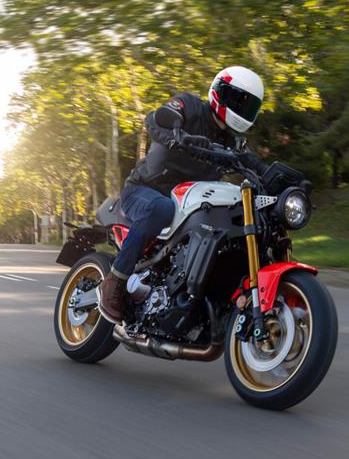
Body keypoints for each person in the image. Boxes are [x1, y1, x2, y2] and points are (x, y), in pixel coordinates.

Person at [98, 66, 275, 324]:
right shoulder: (190, 105)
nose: (241, 109)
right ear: (220, 92)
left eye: (248, 106)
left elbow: (255, 165)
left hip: (187, 201)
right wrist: (178, 136)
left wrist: (283, 180)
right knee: (161, 209)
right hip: (145, 189)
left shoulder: (231, 142)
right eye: (238, 101)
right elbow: (158, 118)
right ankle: (115, 280)